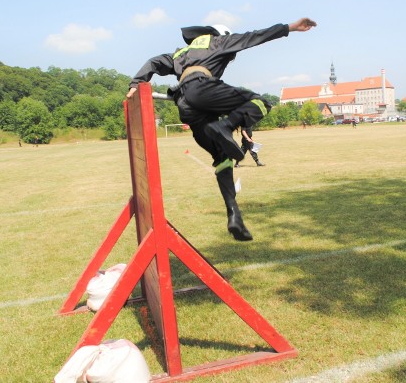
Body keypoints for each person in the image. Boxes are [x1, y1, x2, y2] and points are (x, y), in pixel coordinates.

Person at [126, 18, 317, 241]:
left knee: (223, 158)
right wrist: (290, 28)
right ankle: (224, 127)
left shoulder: (180, 53)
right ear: (220, 34)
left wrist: (135, 83)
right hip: (203, 89)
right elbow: (254, 37)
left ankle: (234, 214)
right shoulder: (218, 42)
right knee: (261, 103)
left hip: (185, 105)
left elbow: (154, 62)